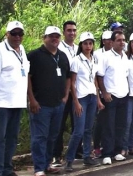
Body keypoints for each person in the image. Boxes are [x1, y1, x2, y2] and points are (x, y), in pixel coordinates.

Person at [0, 21, 29, 176]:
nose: (17, 37)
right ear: (7, 34)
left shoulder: (22, 49)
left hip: (17, 102)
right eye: (14, 33)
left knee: (11, 138)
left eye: (20, 34)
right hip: (1, 103)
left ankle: (6, 168)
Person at [27, 26, 71, 176]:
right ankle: (39, 168)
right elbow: (27, 78)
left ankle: (47, 164)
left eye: (57, 36)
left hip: (58, 104)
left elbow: (68, 77)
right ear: (44, 38)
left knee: (53, 136)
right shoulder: (34, 56)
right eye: (51, 36)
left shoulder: (63, 56)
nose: (54, 39)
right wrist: (32, 99)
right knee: (40, 137)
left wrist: (65, 97)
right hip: (41, 105)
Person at [64, 32, 103, 172]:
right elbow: (72, 83)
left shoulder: (94, 60)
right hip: (81, 98)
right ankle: (69, 160)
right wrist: (76, 102)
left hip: (92, 96)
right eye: (85, 43)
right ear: (81, 45)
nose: (88, 46)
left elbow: (95, 81)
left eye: (90, 43)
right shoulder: (76, 60)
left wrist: (98, 99)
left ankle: (87, 156)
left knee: (88, 130)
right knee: (78, 131)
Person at [96, 31, 130, 165]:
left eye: (123, 40)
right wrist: (104, 92)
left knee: (120, 125)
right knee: (108, 125)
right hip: (110, 96)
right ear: (112, 42)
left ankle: (117, 151)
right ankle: (107, 153)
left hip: (123, 94)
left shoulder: (125, 57)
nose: (122, 42)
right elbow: (100, 76)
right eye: (119, 40)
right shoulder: (105, 57)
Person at [53, 20, 80, 166]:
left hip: (77, 92)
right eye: (69, 30)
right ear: (64, 32)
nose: (72, 33)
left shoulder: (79, 48)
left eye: (74, 30)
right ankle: (56, 155)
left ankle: (77, 151)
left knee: (77, 124)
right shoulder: (59, 48)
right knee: (59, 125)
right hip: (63, 92)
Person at [92, 30, 112, 158]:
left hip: (112, 92)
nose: (108, 41)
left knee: (108, 122)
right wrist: (99, 93)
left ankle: (108, 146)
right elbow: (95, 74)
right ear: (103, 41)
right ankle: (96, 147)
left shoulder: (117, 54)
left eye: (110, 39)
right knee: (99, 122)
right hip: (99, 92)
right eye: (106, 39)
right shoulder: (97, 54)